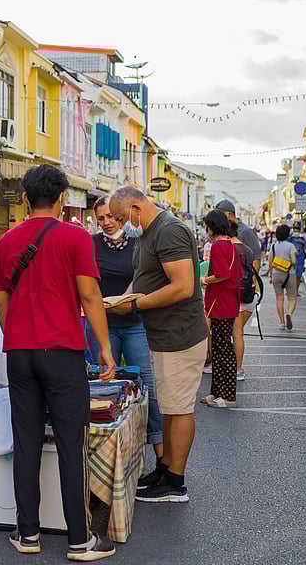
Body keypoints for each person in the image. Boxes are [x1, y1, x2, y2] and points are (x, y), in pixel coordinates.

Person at [0, 164, 115, 560]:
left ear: (26, 198)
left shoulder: (6, 242)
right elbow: (90, 296)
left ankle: (27, 534)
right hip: (61, 352)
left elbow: (0, 300)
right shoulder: (76, 238)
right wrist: (104, 347)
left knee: (26, 443)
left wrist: (14, 334)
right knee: (70, 444)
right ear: (63, 198)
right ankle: (79, 541)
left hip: (21, 352)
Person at [109, 185, 207, 504]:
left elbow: (183, 286)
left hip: (180, 333)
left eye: (124, 217)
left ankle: (176, 482)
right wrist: (121, 299)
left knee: (179, 408)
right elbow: (143, 279)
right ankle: (165, 469)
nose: (124, 223)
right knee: (169, 406)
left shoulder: (169, 231)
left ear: (137, 206)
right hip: (164, 334)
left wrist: (135, 306)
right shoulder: (147, 233)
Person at [85, 196, 163, 459]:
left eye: (111, 217)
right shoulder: (90, 244)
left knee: (145, 385)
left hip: (134, 324)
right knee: (104, 387)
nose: (107, 223)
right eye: (101, 219)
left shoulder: (138, 243)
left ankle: (161, 455)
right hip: (101, 324)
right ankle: (109, 456)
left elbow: (148, 280)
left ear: (120, 215)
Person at [200, 210, 240, 407]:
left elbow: (222, 274)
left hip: (220, 303)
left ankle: (228, 395)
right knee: (218, 349)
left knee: (223, 349)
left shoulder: (217, 247)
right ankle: (216, 392)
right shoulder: (232, 245)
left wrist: (204, 280)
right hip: (228, 301)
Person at [216, 200, 259, 383]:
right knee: (234, 332)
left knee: (236, 331)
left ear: (230, 215)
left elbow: (255, 260)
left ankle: (236, 368)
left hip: (240, 291)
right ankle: (234, 367)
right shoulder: (224, 234)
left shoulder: (246, 233)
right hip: (233, 290)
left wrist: (251, 285)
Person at [267, 224, 298, 331]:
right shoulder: (290, 246)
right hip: (289, 274)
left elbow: (270, 262)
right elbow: (293, 261)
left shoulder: (273, 246)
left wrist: (271, 275)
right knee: (292, 297)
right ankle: (289, 313)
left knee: (279, 298)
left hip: (276, 274)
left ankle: (281, 323)